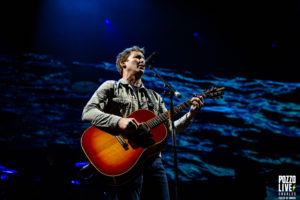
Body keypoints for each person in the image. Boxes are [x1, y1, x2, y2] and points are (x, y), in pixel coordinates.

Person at [81, 46, 204, 200]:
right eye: (137, 57)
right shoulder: (111, 87)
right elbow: (88, 112)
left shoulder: (155, 97)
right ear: (123, 64)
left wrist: (190, 114)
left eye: (143, 58)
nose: (142, 61)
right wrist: (119, 121)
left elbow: (169, 129)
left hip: (153, 161)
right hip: (124, 160)